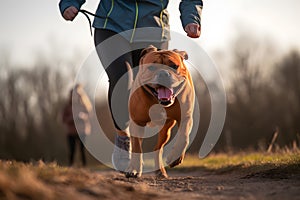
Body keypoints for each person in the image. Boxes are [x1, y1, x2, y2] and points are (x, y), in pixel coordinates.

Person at [59, 0, 203, 172]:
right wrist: (70, 2)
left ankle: (154, 147)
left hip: (153, 29)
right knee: (123, 78)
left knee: (156, 85)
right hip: (112, 26)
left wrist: (191, 17)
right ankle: (123, 137)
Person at [62, 84, 92, 167]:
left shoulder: (84, 106)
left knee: (82, 150)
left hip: (82, 131)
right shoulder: (67, 107)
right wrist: (71, 119)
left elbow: (88, 116)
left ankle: (84, 166)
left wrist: (83, 117)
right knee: (72, 150)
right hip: (71, 132)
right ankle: (71, 166)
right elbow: (63, 119)